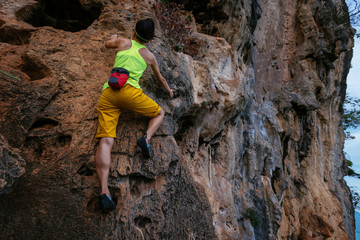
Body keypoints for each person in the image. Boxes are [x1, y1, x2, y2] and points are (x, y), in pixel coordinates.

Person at [95, 18, 174, 213]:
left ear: (134, 32)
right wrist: (169, 90)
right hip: (131, 94)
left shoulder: (123, 42)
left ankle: (104, 192)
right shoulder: (149, 56)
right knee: (159, 113)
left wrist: (114, 37)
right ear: (149, 39)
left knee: (105, 141)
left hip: (110, 92)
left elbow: (107, 44)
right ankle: (146, 138)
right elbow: (160, 78)